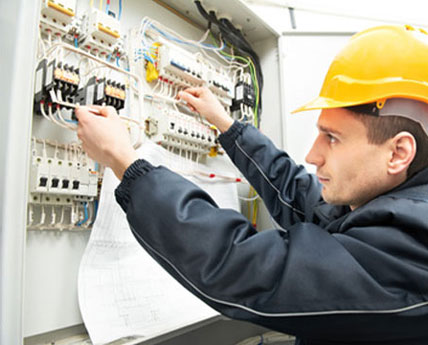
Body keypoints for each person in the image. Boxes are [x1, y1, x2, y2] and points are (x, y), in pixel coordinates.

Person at [75, 25, 428, 345]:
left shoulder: (411, 249)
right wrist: (228, 127)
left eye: (332, 138)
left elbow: (242, 266)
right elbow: (301, 198)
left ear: (398, 152)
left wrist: (125, 162)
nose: (313, 154)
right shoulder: (388, 205)